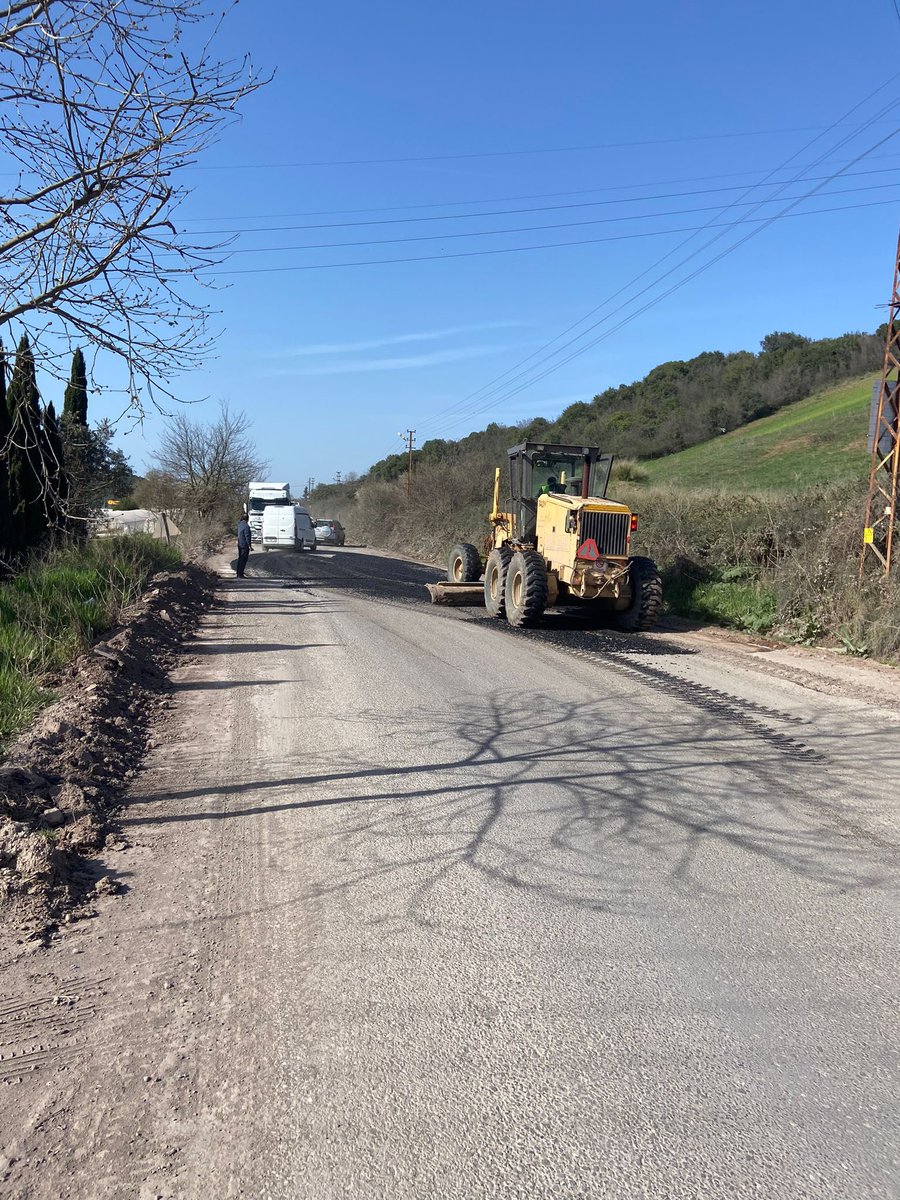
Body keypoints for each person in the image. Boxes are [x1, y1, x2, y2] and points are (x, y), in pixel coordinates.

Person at [236, 513, 252, 578]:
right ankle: (240, 574)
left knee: (240, 559)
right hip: (244, 545)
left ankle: (238, 573)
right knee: (243, 560)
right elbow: (247, 537)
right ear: (248, 519)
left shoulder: (240, 525)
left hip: (240, 544)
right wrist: (249, 545)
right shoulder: (246, 526)